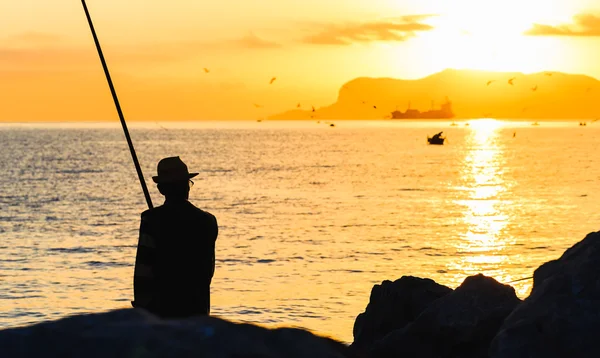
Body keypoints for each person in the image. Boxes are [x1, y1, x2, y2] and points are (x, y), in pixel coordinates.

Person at [132, 156, 218, 318]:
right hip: (198, 309)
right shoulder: (208, 221)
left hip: (161, 312)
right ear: (187, 186)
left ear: (161, 189)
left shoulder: (151, 219)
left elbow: (143, 270)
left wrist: (141, 308)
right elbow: (208, 270)